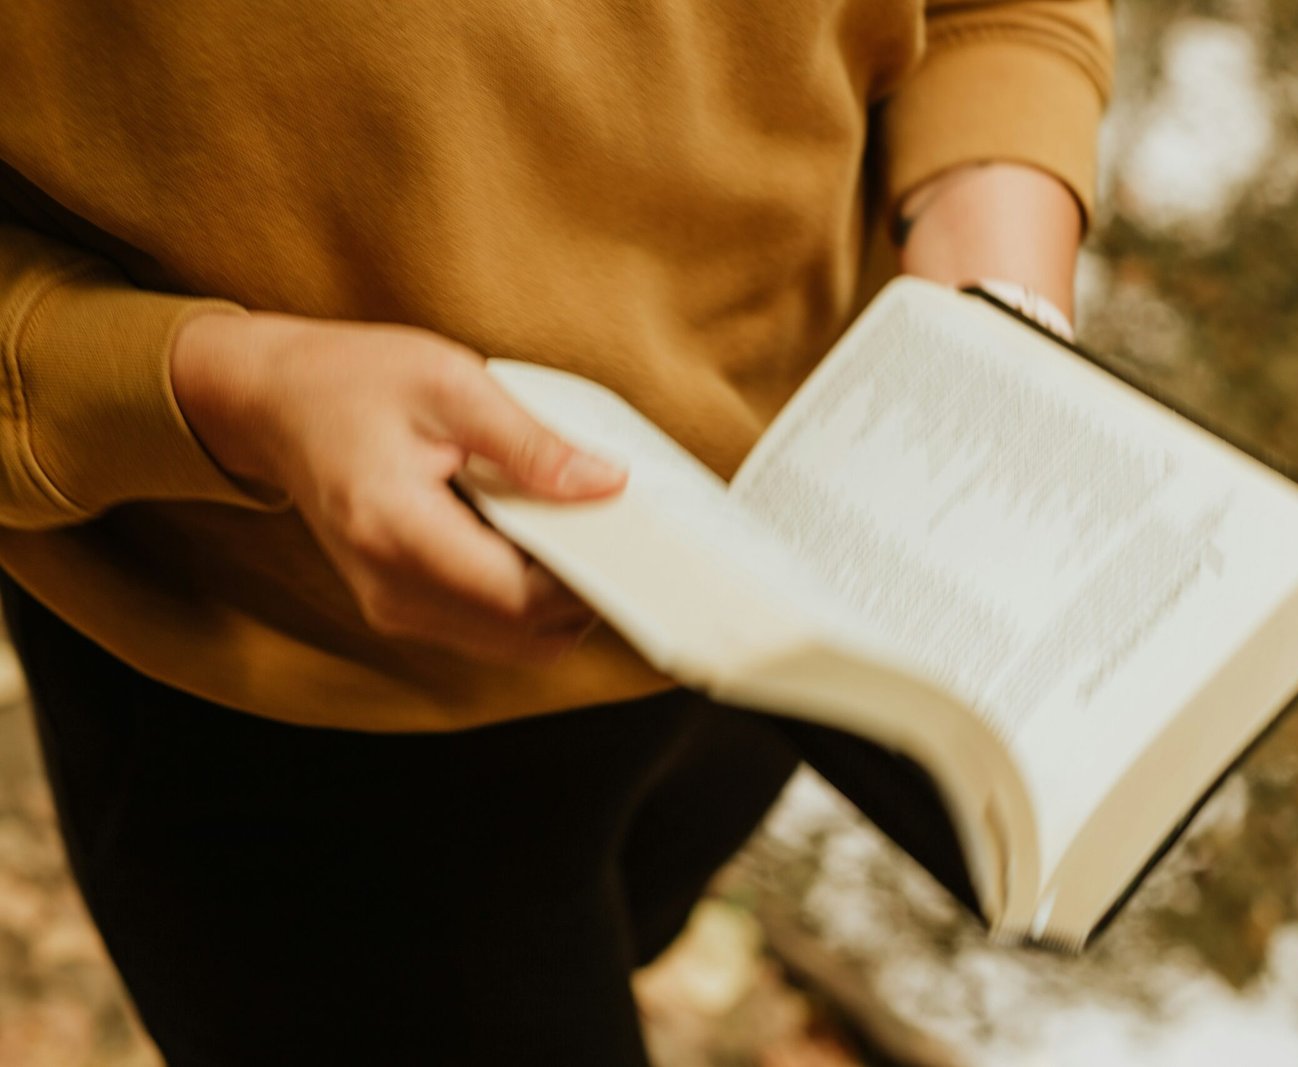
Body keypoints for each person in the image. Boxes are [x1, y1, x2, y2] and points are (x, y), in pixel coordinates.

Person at [0, 2, 1113, 1063]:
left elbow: (989, 12)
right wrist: (229, 393)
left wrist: (1000, 311)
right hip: (295, 714)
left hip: (798, 569)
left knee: (632, 912)